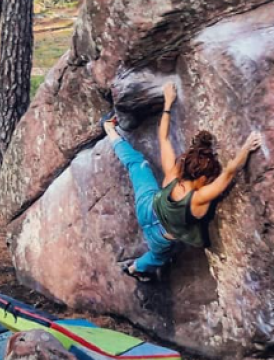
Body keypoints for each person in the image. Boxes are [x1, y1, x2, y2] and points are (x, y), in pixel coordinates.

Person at [102, 82, 263, 282]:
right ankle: (136, 268)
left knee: (136, 163)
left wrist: (168, 102)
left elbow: (164, 139)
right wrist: (246, 148)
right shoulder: (198, 198)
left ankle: (110, 130)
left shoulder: (172, 175)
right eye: (209, 177)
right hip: (161, 236)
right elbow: (229, 172)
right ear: (203, 178)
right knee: (159, 256)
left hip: (147, 207)